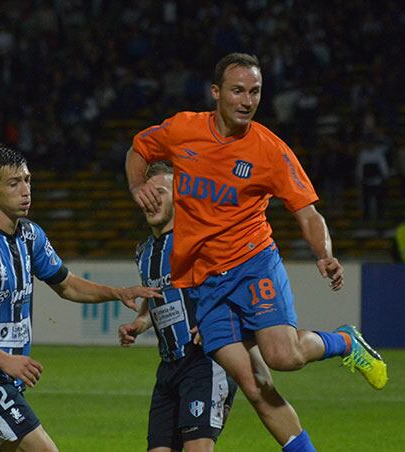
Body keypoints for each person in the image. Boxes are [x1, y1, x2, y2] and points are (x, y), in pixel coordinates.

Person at [125, 53, 387, 451]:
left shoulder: (269, 150)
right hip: (206, 283)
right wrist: (135, 186)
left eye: (255, 91)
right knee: (255, 385)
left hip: (252, 264)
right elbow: (137, 150)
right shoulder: (182, 130)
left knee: (283, 356)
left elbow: (307, 211)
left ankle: (346, 341)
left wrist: (324, 253)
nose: (247, 100)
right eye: (237, 91)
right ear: (216, 93)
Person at [0, 143, 161, 452]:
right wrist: (5, 360)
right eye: (14, 183)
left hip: (8, 377)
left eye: (27, 180)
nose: (25, 190)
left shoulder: (31, 236)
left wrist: (117, 293)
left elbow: (66, 285)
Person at [118, 161, 239, 452]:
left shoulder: (201, 241)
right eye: (148, 192)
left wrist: (216, 319)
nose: (152, 198)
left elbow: (236, 287)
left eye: (161, 191)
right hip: (168, 368)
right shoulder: (144, 252)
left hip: (205, 361)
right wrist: (139, 323)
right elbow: (156, 301)